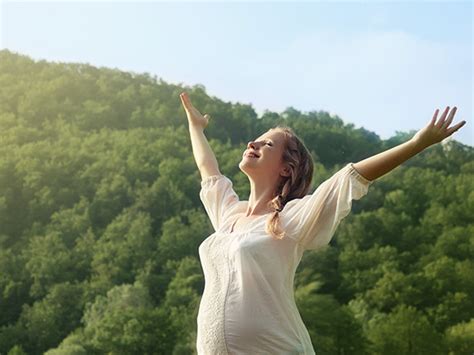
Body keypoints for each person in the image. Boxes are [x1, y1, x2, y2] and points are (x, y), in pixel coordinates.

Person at [180, 91, 466, 354]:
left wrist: (417, 144)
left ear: (286, 168)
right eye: (256, 139)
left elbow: (351, 176)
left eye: (267, 143)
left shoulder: (290, 218)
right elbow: (209, 171)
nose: (252, 143)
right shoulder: (229, 216)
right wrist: (196, 127)